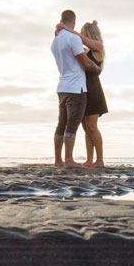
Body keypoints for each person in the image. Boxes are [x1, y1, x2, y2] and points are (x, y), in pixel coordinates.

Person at [50, 9, 98, 166]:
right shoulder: (73, 38)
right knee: (72, 125)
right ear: (74, 22)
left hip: (62, 86)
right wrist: (96, 69)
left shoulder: (56, 40)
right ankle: (69, 159)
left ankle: (58, 160)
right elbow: (85, 63)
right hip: (76, 88)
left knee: (61, 124)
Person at [78, 21, 108, 167]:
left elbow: (83, 40)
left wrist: (66, 29)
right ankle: (89, 160)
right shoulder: (87, 50)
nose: (80, 34)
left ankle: (100, 160)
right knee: (86, 127)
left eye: (83, 31)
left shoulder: (98, 47)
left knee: (92, 126)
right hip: (83, 90)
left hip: (94, 89)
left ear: (89, 33)